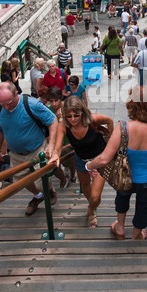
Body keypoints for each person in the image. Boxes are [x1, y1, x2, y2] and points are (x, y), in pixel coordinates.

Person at [84, 85, 147, 240]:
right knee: (144, 207)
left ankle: (120, 227)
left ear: (131, 104)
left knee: (122, 199)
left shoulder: (122, 128)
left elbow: (104, 158)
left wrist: (89, 165)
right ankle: (137, 233)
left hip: (125, 176)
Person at [0, 82, 58, 215]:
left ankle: (49, 191)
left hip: (37, 150)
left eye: (9, 102)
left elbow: (52, 120)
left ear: (16, 93)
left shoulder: (32, 104)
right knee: (22, 181)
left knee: (42, 180)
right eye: (2, 103)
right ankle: (39, 196)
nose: (5, 106)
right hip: (16, 154)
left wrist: (51, 145)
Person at [48, 96, 113, 228]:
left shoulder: (92, 119)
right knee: (85, 186)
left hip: (99, 159)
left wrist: (111, 143)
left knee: (95, 197)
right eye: (69, 116)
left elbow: (109, 121)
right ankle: (92, 210)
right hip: (81, 160)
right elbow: (58, 146)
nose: (72, 119)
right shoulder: (63, 126)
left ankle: (91, 208)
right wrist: (55, 155)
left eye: (76, 115)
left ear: (82, 112)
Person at [45, 86, 76, 186]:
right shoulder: (47, 110)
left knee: (71, 163)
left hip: (68, 143)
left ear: (60, 98)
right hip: (55, 144)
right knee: (56, 164)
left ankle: (72, 175)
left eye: (56, 100)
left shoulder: (68, 108)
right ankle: (64, 178)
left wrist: (60, 119)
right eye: (51, 101)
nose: (54, 104)